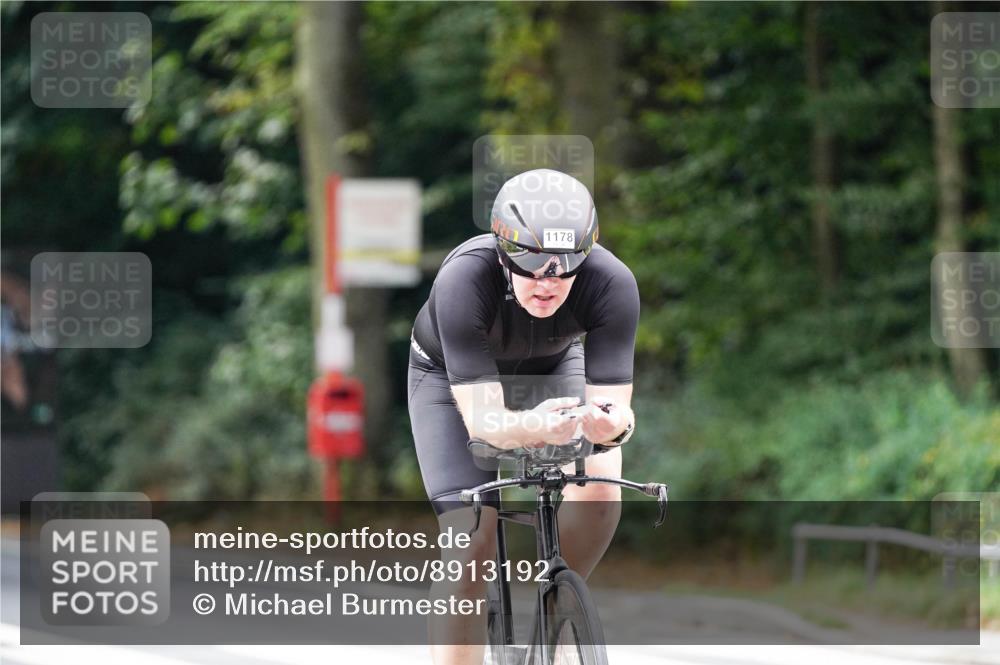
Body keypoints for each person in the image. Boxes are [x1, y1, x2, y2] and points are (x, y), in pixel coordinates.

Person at [408, 169, 639, 665]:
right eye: (530, 268)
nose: (546, 284)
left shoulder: (612, 283)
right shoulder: (464, 278)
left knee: (601, 491)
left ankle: (556, 615)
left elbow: (617, 409)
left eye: (562, 270)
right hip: (450, 380)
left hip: (552, 365)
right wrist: (532, 427)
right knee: (469, 543)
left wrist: (612, 427)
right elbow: (485, 425)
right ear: (503, 253)